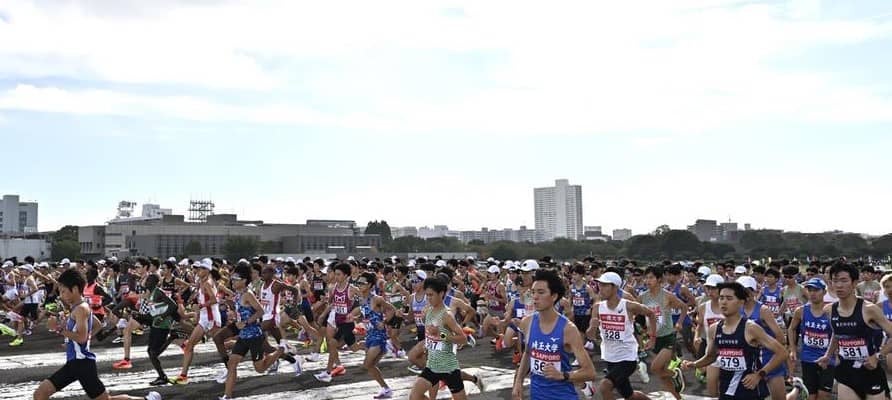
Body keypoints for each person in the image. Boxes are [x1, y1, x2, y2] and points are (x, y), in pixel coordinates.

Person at [33, 268, 161, 400]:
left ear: (75, 289)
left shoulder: (81, 309)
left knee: (40, 395)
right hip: (76, 363)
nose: (61, 295)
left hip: (81, 364)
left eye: (63, 291)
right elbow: (97, 325)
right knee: (40, 394)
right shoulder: (80, 306)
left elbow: (82, 338)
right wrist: (72, 342)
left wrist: (59, 329)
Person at [681, 282, 789, 400]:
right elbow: (711, 356)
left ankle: (796, 389)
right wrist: (693, 364)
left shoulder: (750, 328)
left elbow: (782, 352)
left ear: (741, 302)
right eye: (721, 298)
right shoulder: (714, 329)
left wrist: (760, 374)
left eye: (729, 298)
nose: (723, 302)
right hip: (726, 389)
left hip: (749, 389)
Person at [511, 269, 595, 400]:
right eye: (533, 292)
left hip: (563, 395)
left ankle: (586, 387)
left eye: (541, 292)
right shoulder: (527, 322)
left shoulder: (568, 329)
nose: (535, 297)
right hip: (536, 394)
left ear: (554, 296)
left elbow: (590, 372)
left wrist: (564, 375)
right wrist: (518, 382)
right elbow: (528, 353)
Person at [817, 263, 892, 400]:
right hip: (846, 372)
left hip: (870, 371)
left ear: (854, 283)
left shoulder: (869, 309)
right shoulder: (829, 310)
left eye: (844, 280)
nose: (839, 285)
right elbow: (837, 333)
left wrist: (878, 356)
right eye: (835, 280)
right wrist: (828, 355)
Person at [219, 264, 289, 400]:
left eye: (235, 278)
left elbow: (261, 311)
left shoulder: (248, 294)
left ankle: (280, 351)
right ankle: (227, 396)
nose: (232, 281)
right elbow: (242, 311)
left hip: (254, 336)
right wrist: (230, 307)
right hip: (243, 336)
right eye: (231, 278)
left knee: (260, 369)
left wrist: (245, 322)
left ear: (244, 280)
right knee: (232, 363)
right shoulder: (238, 294)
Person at [585, 271, 657, 400]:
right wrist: (593, 326)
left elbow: (651, 313)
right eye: (599, 285)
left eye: (604, 285)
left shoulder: (628, 305)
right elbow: (589, 335)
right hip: (610, 357)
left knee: (605, 386)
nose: (600, 288)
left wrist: (652, 337)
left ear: (615, 287)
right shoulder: (597, 308)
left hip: (627, 357)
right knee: (629, 395)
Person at [408, 275, 469, 400]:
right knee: (414, 396)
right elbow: (430, 336)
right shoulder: (428, 311)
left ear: (441, 294)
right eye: (427, 295)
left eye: (431, 295)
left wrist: (441, 335)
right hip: (432, 366)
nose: (428, 298)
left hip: (448, 367)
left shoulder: (447, 315)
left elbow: (463, 339)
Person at [638, 266, 689, 399]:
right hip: (654, 338)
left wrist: (679, 322)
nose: (647, 280)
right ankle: (678, 396)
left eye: (651, 277)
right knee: (661, 374)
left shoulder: (667, 296)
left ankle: (674, 374)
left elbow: (684, 307)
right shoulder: (642, 297)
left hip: (668, 337)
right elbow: (637, 314)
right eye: (646, 277)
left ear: (659, 279)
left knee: (655, 368)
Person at [170, 258, 222, 384]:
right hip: (205, 318)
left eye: (203, 268)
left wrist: (201, 306)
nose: (199, 270)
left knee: (222, 346)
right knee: (189, 346)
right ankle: (183, 376)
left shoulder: (207, 283)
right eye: (199, 268)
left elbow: (215, 300)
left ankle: (232, 365)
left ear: (208, 270)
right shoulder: (202, 282)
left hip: (212, 318)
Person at [349, 272, 398, 399]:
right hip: (369, 335)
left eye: (362, 283)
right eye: (358, 283)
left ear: (370, 285)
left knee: (367, 364)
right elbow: (365, 314)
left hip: (379, 336)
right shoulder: (362, 298)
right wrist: (356, 319)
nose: (359, 285)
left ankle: (386, 388)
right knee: (370, 366)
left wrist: (384, 322)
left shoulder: (376, 299)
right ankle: (385, 389)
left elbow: (392, 309)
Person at [787, 278, 832, 400]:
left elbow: (838, 333)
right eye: (810, 290)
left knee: (824, 395)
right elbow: (791, 329)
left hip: (827, 359)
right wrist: (793, 349)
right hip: (808, 358)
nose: (812, 293)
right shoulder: (801, 311)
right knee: (810, 396)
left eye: (816, 290)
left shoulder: (830, 311)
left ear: (824, 292)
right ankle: (800, 388)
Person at [693, 273, 725, 396]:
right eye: (708, 288)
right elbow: (699, 325)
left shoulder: (730, 306)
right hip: (710, 349)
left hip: (728, 350)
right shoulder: (703, 307)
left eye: (714, 288)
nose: (710, 291)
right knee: (711, 388)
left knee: (726, 386)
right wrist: (696, 337)